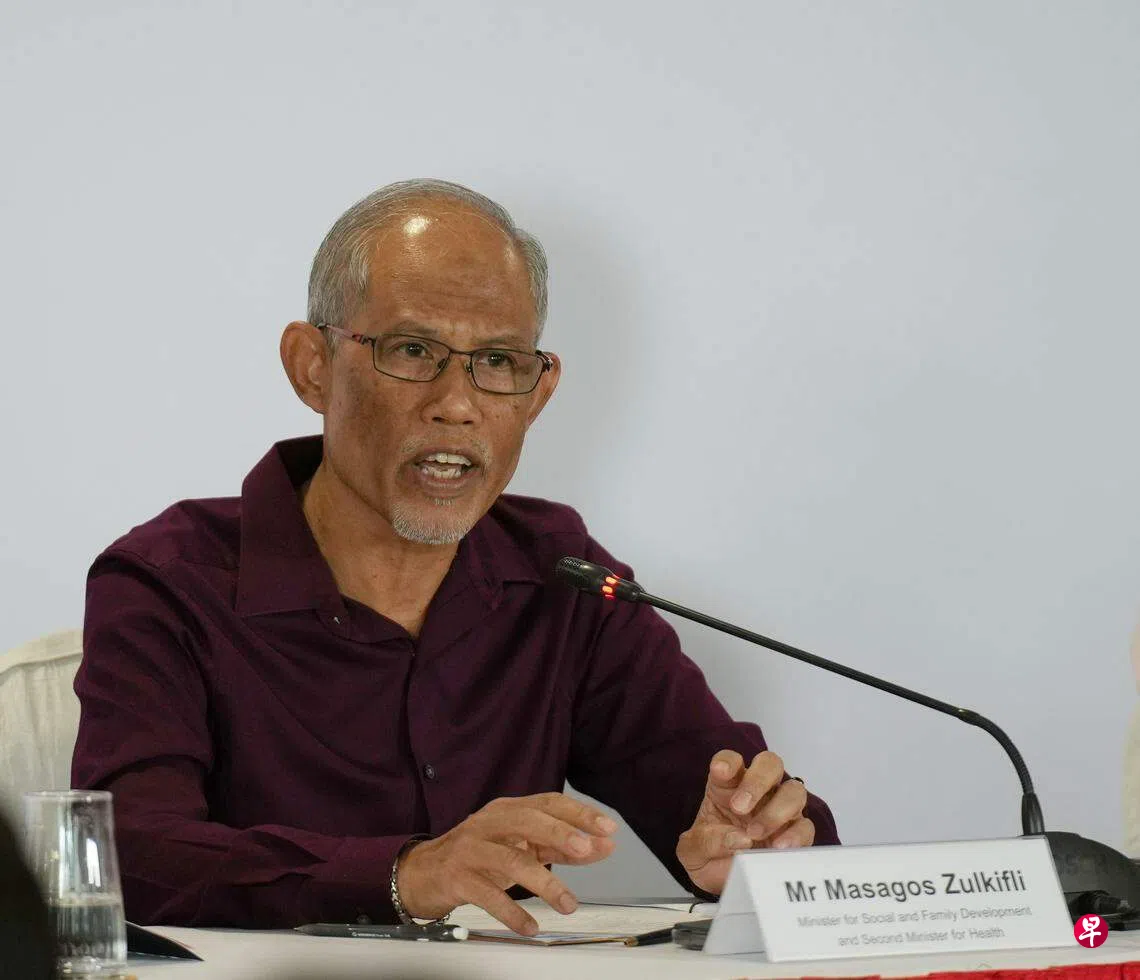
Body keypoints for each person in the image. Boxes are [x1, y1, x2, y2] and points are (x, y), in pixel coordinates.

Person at [72, 179, 839, 935]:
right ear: (312, 366)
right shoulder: (169, 582)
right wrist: (406, 875)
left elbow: (734, 815)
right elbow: (128, 855)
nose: (458, 404)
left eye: (498, 361)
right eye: (413, 350)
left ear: (537, 395)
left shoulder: (561, 576)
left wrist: (758, 849)